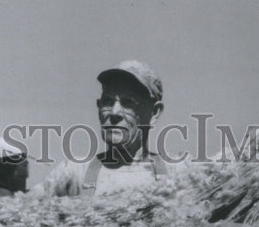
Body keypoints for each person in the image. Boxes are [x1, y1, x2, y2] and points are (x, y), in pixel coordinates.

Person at [32, 60, 170, 198]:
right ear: (99, 107)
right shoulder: (73, 174)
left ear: (154, 113)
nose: (114, 113)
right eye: (108, 102)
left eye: (128, 102)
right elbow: (20, 209)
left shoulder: (176, 175)